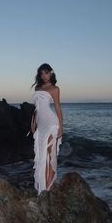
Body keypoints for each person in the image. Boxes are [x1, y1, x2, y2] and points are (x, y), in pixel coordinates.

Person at [27, 63, 63, 195]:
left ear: (51, 73)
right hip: (41, 125)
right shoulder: (37, 88)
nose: (44, 75)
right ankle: (43, 186)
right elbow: (36, 109)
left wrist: (61, 127)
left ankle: (48, 185)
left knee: (50, 152)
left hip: (52, 123)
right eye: (41, 73)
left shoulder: (55, 89)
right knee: (42, 155)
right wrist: (33, 123)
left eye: (46, 73)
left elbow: (58, 108)